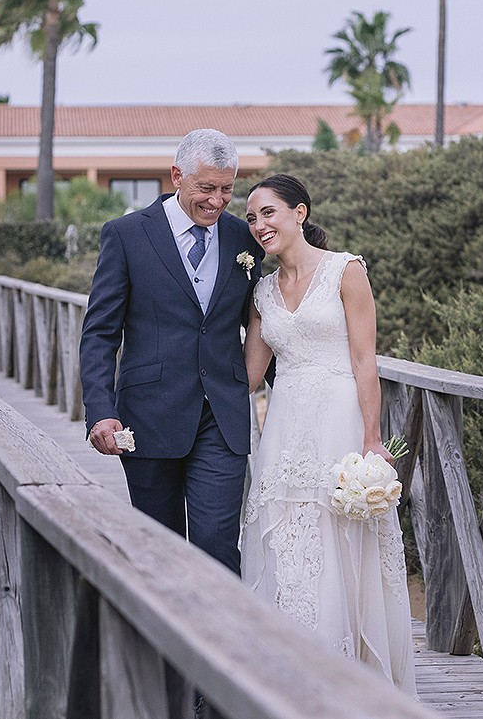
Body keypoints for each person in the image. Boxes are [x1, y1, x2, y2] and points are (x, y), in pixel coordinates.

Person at [239, 173, 415, 692]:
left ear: (300, 212)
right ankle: (293, 671)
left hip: (340, 417)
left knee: (339, 536)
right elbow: (249, 377)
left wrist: (372, 439)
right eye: (251, 218)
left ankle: (350, 676)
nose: (259, 225)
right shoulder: (261, 291)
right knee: (287, 537)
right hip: (285, 422)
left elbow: (365, 360)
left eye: (268, 212)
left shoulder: (346, 270)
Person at [80, 129, 264, 573]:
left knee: (217, 542)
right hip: (148, 415)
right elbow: (100, 333)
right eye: (207, 188)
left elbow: (265, 324)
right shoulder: (126, 235)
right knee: (156, 548)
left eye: (227, 190)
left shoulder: (245, 239)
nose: (218, 201)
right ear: (177, 176)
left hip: (222, 415)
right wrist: (100, 411)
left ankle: (221, 642)